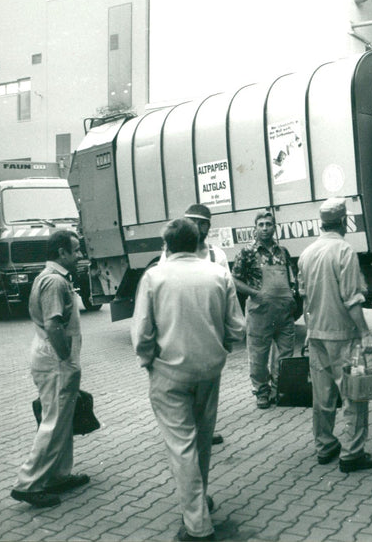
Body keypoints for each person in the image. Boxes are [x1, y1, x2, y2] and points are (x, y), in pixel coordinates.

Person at [132, 218, 245, 542]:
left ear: (167, 244)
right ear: (198, 241)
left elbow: (142, 332)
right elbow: (237, 328)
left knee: (181, 446)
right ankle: (199, 500)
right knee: (202, 440)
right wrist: (220, 347)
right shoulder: (218, 273)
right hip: (210, 371)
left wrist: (147, 360)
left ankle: (197, 526)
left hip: (169, 372)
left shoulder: (154, 277)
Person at [298, 198, 372, 473]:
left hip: (316, 335)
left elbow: (305, 299)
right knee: (354, 395)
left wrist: (308, 331)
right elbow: (351, 299)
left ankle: (324, 446)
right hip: (343, 336)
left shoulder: (306, 254)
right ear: (343, 222)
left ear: (321, 223)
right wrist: (366, 334)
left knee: (322, 396)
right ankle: (353, 453)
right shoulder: (344, 251)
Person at [10, 230, 90, 508]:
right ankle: (29, 484)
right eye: (76, 250)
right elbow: (54, 324)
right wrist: (65, 356)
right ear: (61, 253)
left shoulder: (50, 278)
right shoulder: (54, 282)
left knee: (61, 419)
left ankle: (58, 475)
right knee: (54, 422)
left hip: (52, 356)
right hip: (55, 358)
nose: (80, 255)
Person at [160, 203, 229, 445]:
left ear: (209, 227)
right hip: (179, 333)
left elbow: (227, 298)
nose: (198, 227)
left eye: (203, 223)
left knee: (206, 393)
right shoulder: (168, 255)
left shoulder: (216, 256)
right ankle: (189, 434)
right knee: (183, 388)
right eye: (193, 222)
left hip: (209, 334)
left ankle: (205, 430)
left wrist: (226, 339)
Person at [232, 210, 298, 409]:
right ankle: (262, 392)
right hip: (260, 312)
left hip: (284, 313)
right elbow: (234, 279)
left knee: (285, 353)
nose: (265, 228)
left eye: (268, 224)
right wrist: (254, 293)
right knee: (259, 356)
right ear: (255, 228)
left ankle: (280, 390)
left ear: (274, 227)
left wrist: (292, 294)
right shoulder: (247, 252)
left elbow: (291, 277)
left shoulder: (282, 252)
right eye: (260, 224)